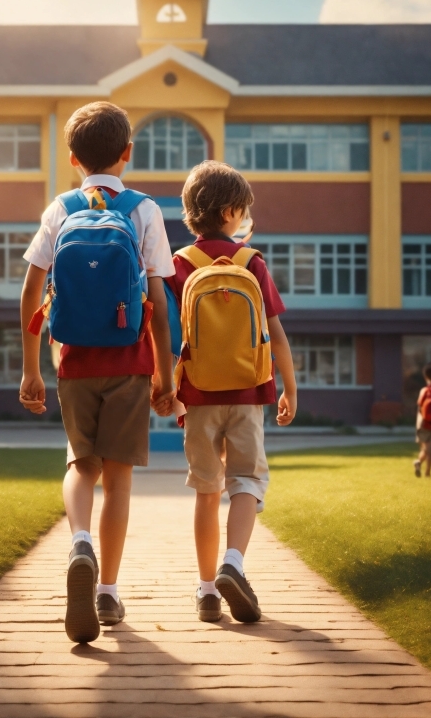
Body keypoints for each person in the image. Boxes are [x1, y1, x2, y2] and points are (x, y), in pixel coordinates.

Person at [19, 102, 174, 643]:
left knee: (81, 465)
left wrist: (30, 368)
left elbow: (32, 290)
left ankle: (78, 540)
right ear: (127, 153)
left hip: (74, 360)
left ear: (71, 158)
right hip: (130, 361)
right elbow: (157, 296)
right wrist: (166, 377)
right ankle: (107, 590)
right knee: (120, 479)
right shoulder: (144, 210)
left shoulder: (59, 208)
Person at [157, 161, 297, 624]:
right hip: (248, 391)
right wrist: (289, 389)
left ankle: (205, 592)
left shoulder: (177, 265)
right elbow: (275, 334)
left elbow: (161, 331)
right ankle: (232, 564)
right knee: (247, 482)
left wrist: (163, 387)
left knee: (205, 490)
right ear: (234, 211)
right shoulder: (251, 262)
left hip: (197, 396)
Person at [413, 361, 431, 478]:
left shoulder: (425, 390)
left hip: (423, 423)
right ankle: (422, 466)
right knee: (429, 449)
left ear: (426, 376)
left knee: (427, 449)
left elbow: (420, 407)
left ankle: (423, 468)